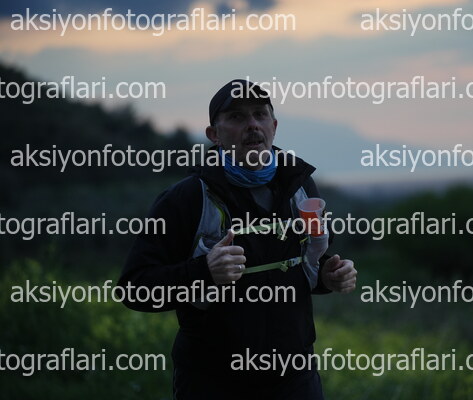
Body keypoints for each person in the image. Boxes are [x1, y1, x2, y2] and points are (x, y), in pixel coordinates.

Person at [118, 79, 358, 400]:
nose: (252, 125)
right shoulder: (187, 198)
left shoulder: (300, 186)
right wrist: (204, 271)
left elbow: (303, 263)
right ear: (213, 135)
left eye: (260, 114)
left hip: (295, 376)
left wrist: (328, 275)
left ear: (274, 126)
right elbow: (134, 288)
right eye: (236, 117)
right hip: (212, 380)